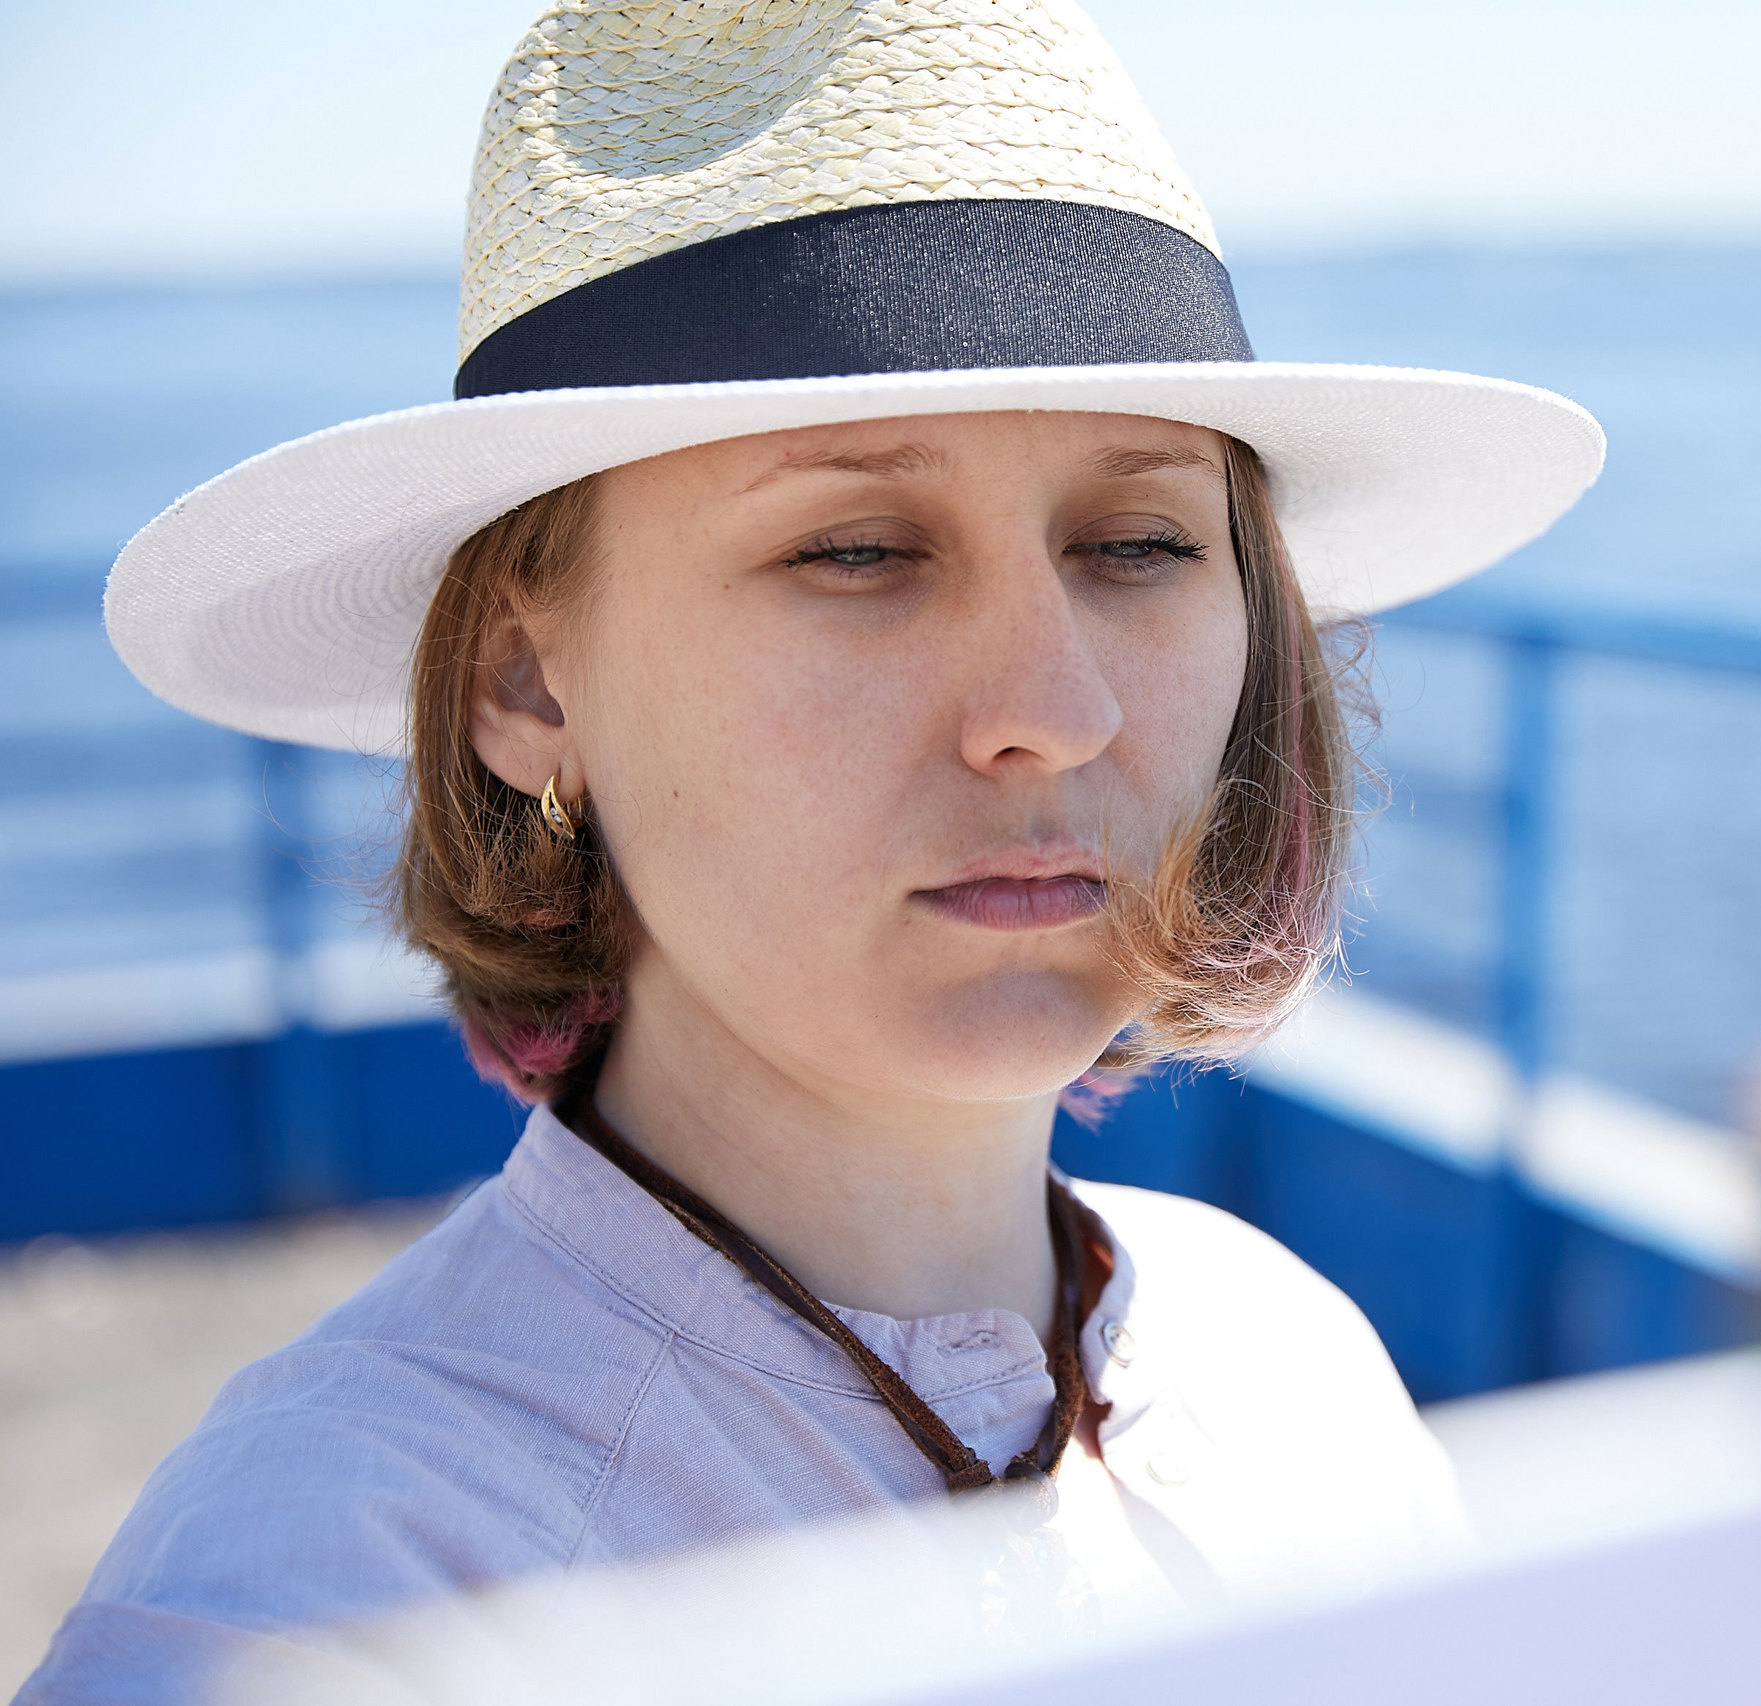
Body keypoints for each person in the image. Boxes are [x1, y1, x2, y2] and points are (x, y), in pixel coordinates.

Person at [18, 2, 1600, 1697]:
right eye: (856, 549)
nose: (1051, 708)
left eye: (1140, 541)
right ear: (525, 674)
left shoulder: (1289, 1364)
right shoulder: (338, 1601)